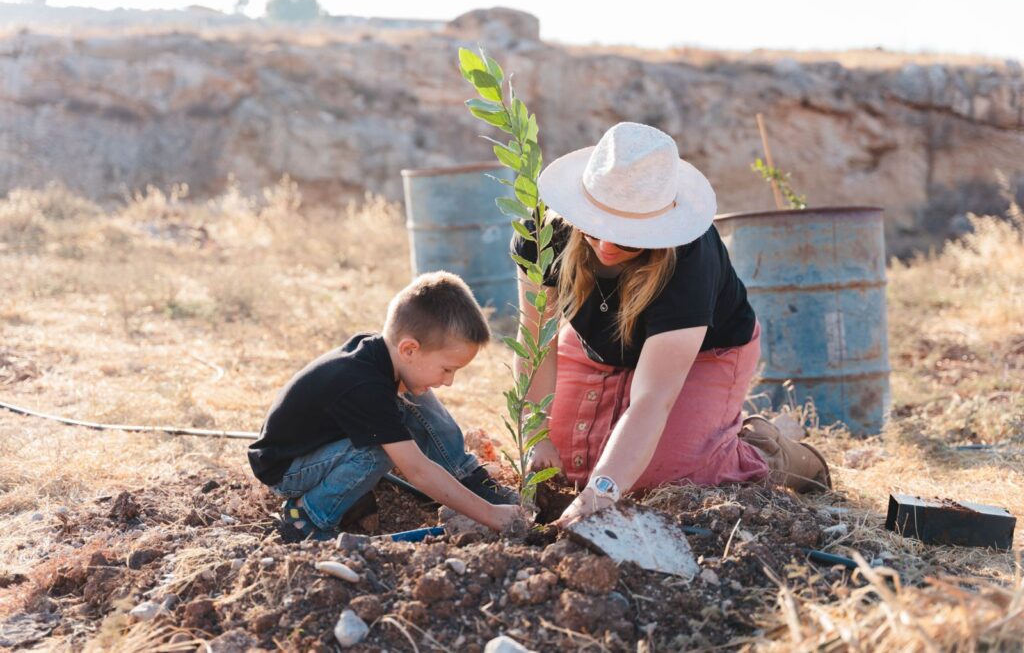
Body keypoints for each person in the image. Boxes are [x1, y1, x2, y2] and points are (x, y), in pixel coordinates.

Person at [512, 122, 830, 527]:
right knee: (567, 465)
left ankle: (771, 452)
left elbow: (653, 397)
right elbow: (535, 339)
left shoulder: (689, 258)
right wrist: (536, 431)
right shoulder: (541, 235)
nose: (607, 247)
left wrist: (602, 493)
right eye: (595, 228)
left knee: (657, 478)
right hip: (598, 344)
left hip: (701, 355)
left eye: (627, 237)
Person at [248, 271, 524, 542]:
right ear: (409, 349)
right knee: (380, 451)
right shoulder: (364, 387)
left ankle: (466, 477)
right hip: (287, 469)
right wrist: (491, 516)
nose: (449, 382)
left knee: (415, 393)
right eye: (447, 369)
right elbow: (417, 470)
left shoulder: (383, 355)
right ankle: (309, 516)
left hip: (318, 448)